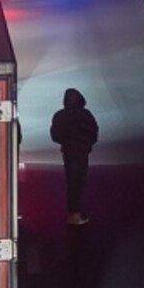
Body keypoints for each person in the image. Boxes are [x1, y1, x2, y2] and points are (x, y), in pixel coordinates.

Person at [49, 88, 99, 226]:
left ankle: (73, 214)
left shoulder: (60, 115)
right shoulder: (86, 115)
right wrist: (85, 144)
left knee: (72, 183)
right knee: (78, 183)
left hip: (68, 152)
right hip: (81, 153)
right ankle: (74, 215)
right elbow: (93, 133)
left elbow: (55, 136)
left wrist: (67, 142)